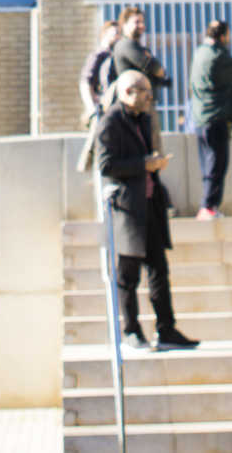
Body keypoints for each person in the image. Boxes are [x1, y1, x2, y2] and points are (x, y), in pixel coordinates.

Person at [93, 70, 197, 352]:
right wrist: (144, 164)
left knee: (158, 270)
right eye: (146, 93)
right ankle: (131, 331)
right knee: (127, 275)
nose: (151, 98)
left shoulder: (146, 119)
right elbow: (105, 165)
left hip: (150, 204)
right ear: (128, 92)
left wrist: (154, 164)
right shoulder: (110, 122)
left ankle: (166, 329)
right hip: (128, 208)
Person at [188, 18, 232, 219]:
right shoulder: (216, 56)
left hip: (201, 118)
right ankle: (209, 207)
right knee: (216, 164)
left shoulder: (200, 52)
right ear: (224, 35)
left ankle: (207, 206)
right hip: (215, 118)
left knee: (208, 164)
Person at [75, 20, 121, 174]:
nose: (118, 37)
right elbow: (85, 82)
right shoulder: (99, 54)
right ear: (105, 35)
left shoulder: (116, 56)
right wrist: (91, 107)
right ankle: (86, 159)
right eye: (115, 33)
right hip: (102, 107)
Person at [109, 6, 169, 93]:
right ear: (124, 24)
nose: (142, 25)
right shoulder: (126, 44)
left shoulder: (139, 47)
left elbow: (161, 73)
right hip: (132, 101)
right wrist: (156, 67)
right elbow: (154, 67)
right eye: (137, 22)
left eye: (142, 22)